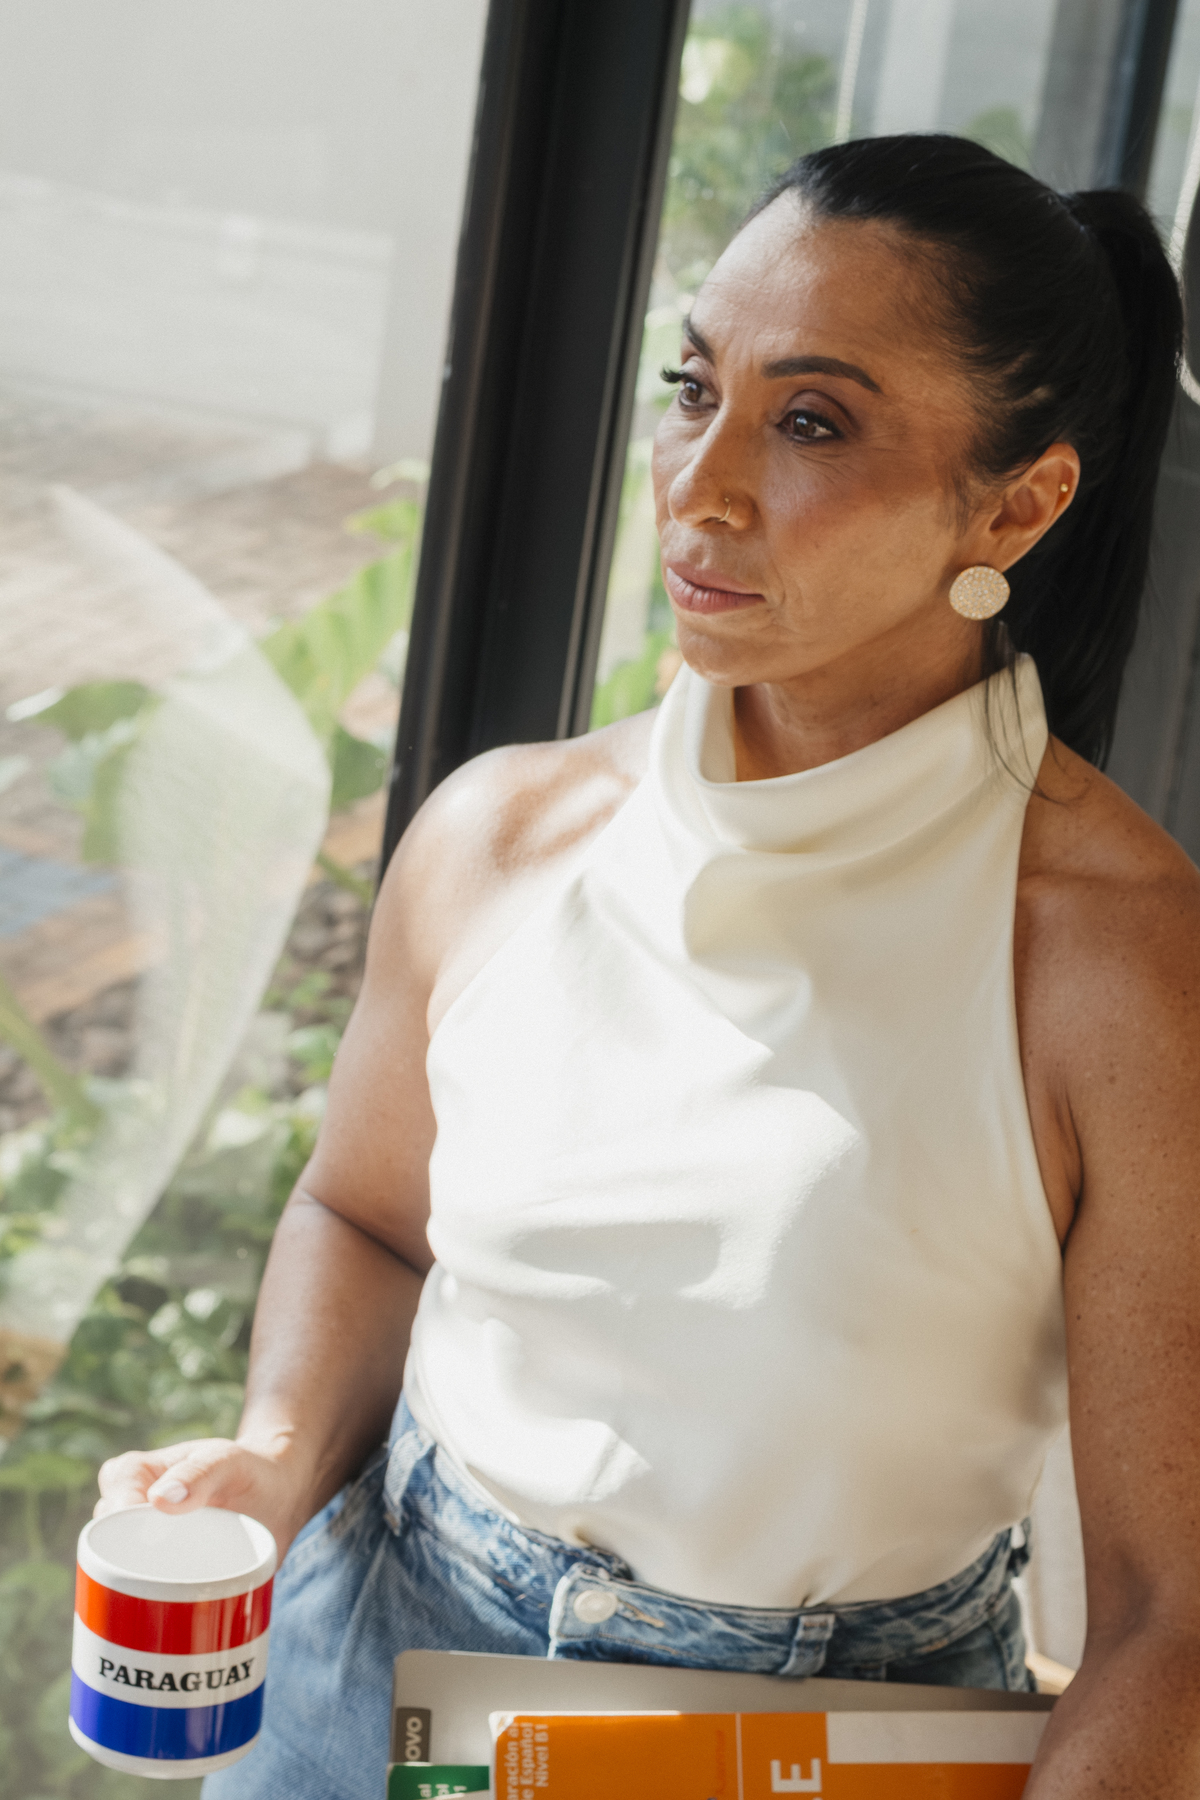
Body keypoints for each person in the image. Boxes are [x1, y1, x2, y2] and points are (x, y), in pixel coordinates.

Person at [98, 135, 1200, 1797]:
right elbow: (368, 1217)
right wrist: (272, 1458)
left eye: (811, 422)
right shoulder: (501, 835)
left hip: (828, 1745)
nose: (701, 482)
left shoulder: (1121, 969)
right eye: (696, 389)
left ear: (1019, 503)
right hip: (367, 1663)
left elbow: (1173, 1617)